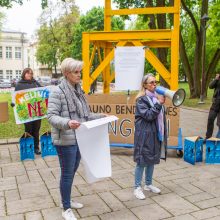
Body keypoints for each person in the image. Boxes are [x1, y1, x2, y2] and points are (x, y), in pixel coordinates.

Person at [47, 58, 105, 220]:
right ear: (66, 73)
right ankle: (66, 208)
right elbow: (51, 116)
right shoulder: (57, 92)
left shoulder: (79, 91)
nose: (79, 75)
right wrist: (67, 123)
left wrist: (101, 116)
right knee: (67, 173)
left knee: (71, 172)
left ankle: (66, 200)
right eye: (76, 72)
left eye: (80, 71)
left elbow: (85, 116)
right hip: (65, 140)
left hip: (80, 138)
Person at [133, 73, 167, 200]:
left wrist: (159, 103)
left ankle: (148, 184)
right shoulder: (141, 100)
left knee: (151, 160)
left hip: (154, 134)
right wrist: (159, 104)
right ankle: (137, 187)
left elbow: (159, 116)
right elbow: (148, 115)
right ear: (145, 85)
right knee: (142, 161)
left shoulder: (154, 98)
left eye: (155, 82)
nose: (154, 85)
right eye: (151, 83)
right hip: (144, 135)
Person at [15, 68, 42, 155]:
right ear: (24, 74)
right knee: (28, 130)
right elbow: (15, 98)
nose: (29, 75)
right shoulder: (19, 85)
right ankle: (29, 147)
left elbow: (42, 94)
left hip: (37, 112)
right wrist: (13, 103)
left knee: (36, 130)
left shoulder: (36, 83)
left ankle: (36, 148)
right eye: (27, 73)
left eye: (30, 73)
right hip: (26, 113)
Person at [205, 74, 220, 140]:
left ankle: (218, 139)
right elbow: (210, 86)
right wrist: (216, 79)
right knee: (210, 119)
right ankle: (208, 137)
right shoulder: (218, 79)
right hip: (215, 103)